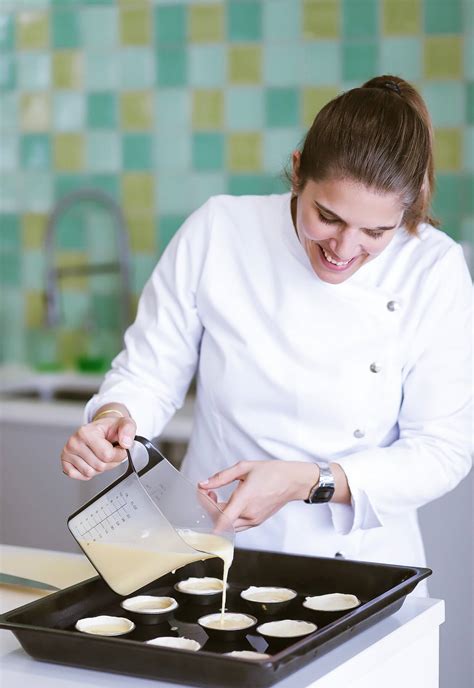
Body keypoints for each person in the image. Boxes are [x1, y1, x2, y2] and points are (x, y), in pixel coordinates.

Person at [61, 75, 472, 581]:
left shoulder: (434, 268)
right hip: (216, 550)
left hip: (366, 567)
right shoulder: (220, 231)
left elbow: (442, 450)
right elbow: (148, 373)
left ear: (405, 213)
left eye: (376, 232)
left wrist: (310, 481)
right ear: (297, 173)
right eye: (328, 216)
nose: (343, 250)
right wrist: (114, 417)